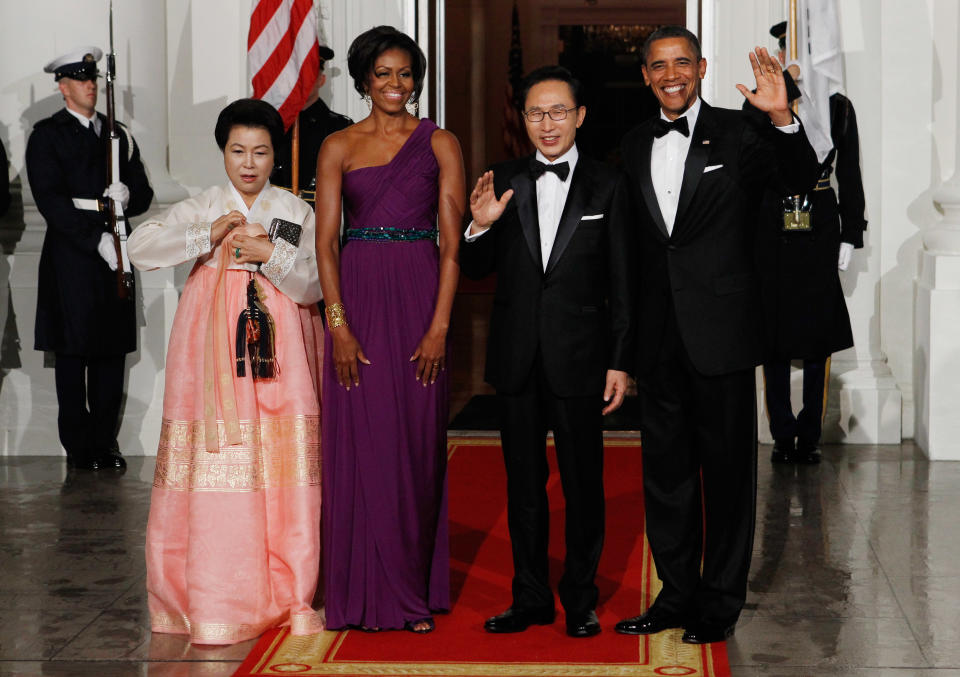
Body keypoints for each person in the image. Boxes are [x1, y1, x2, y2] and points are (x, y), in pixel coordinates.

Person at [611, 26, 818, 644]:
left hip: (723, 331)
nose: (671, 74)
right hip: (658, 338)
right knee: (665, 474)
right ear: (645, 75)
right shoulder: (630, 141)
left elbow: (800, 179)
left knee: (728, 474)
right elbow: (629, 251)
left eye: (681, 63)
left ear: (700, 68)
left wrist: (781, 115)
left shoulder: (742, 128)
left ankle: (720, 601)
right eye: (658, 66)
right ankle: (675, 594)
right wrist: (623, 351)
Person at [128, 98, 324, 645]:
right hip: (211, 356)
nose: (248, 163)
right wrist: (207, 234)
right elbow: (141, 248)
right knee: (221, 461)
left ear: (275, 157)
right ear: (222, 152)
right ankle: (215, 594)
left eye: (260, 152)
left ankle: (289, 589)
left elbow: (316, 284)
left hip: (280, 351)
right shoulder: (205, 206)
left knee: (282, 460)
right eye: (238, 150)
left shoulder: (293, 211)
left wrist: (269, 254)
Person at [460, 65, 632, 639]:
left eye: (559, 112)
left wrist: (620, 360)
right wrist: (479, 228)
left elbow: (624, 282)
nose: (547, 124)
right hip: (517, 357)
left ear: (580, 116)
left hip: (583, 358)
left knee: (584, 484)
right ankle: (530, 597)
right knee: (522, 486)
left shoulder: (609, 184)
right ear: (523, 119)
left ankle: (579, 598)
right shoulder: (504, 177)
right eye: (536, 113)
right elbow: (478, 270)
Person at [315, 25, 464, 634]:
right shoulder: (337, 146)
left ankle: (410, 591)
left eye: (405, 73)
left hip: (420, 296)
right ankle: (358, 594)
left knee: (415, 448)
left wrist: (439, 328)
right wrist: (340, 327)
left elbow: (452, 248)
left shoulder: (441, 143)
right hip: (358, 302)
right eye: (383, 74)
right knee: (359, 447)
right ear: (362, 80)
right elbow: (325, 244)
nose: (395, 85)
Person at [25, 47, 153, 471]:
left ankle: (104, 442)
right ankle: (79, 448)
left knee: (110, 352)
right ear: (63, 87)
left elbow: (144, 191)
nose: (91, 86)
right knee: (73, 353)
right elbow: (51, 202)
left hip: (116, 247)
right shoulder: (48, 135)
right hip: (73, 256)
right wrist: (92, 240)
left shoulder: (117, 135)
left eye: (94, 79)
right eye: (81, 80)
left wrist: (128, 195)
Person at [753, 21, 866, 465]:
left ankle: (810, 431)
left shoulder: (837, 106)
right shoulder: (762, 103)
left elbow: (850, 172)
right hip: (773, 222)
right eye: (786, 49)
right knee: (774, 331)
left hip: (818, 217)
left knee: (817, 332)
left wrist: (852, 232)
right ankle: (782, 431)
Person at [272, 44, 353, 202]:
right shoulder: (270, 124)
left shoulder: (340, 127)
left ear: (321, 80)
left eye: (308, 74)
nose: (300, 81)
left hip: (321, 216)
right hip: (274, 212)